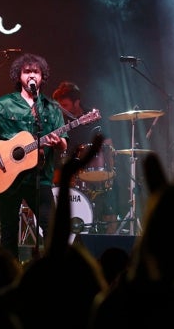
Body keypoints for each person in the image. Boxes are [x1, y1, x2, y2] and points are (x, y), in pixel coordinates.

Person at [0, 52, 67, 261]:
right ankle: (10, 277)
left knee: (52, 227)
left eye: (36, 72)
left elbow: (63, 143)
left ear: (42, 76)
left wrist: (58, 141)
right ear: (19, 76)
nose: (32, 76)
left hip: (39, 177)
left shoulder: (51, 108)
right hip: (7, 176)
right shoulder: (4, 104)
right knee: (8, 233)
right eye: (27, 72)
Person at [52, 81, 119, 234]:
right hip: (65, 170)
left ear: (77, 102)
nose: (63, 109)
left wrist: (111, 169)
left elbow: (108, 145)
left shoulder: (92, 117)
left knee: (112, 191)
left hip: (93, 169)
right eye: (60, 106)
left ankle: (108, 240)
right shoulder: (59, 120)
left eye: (66, 105)